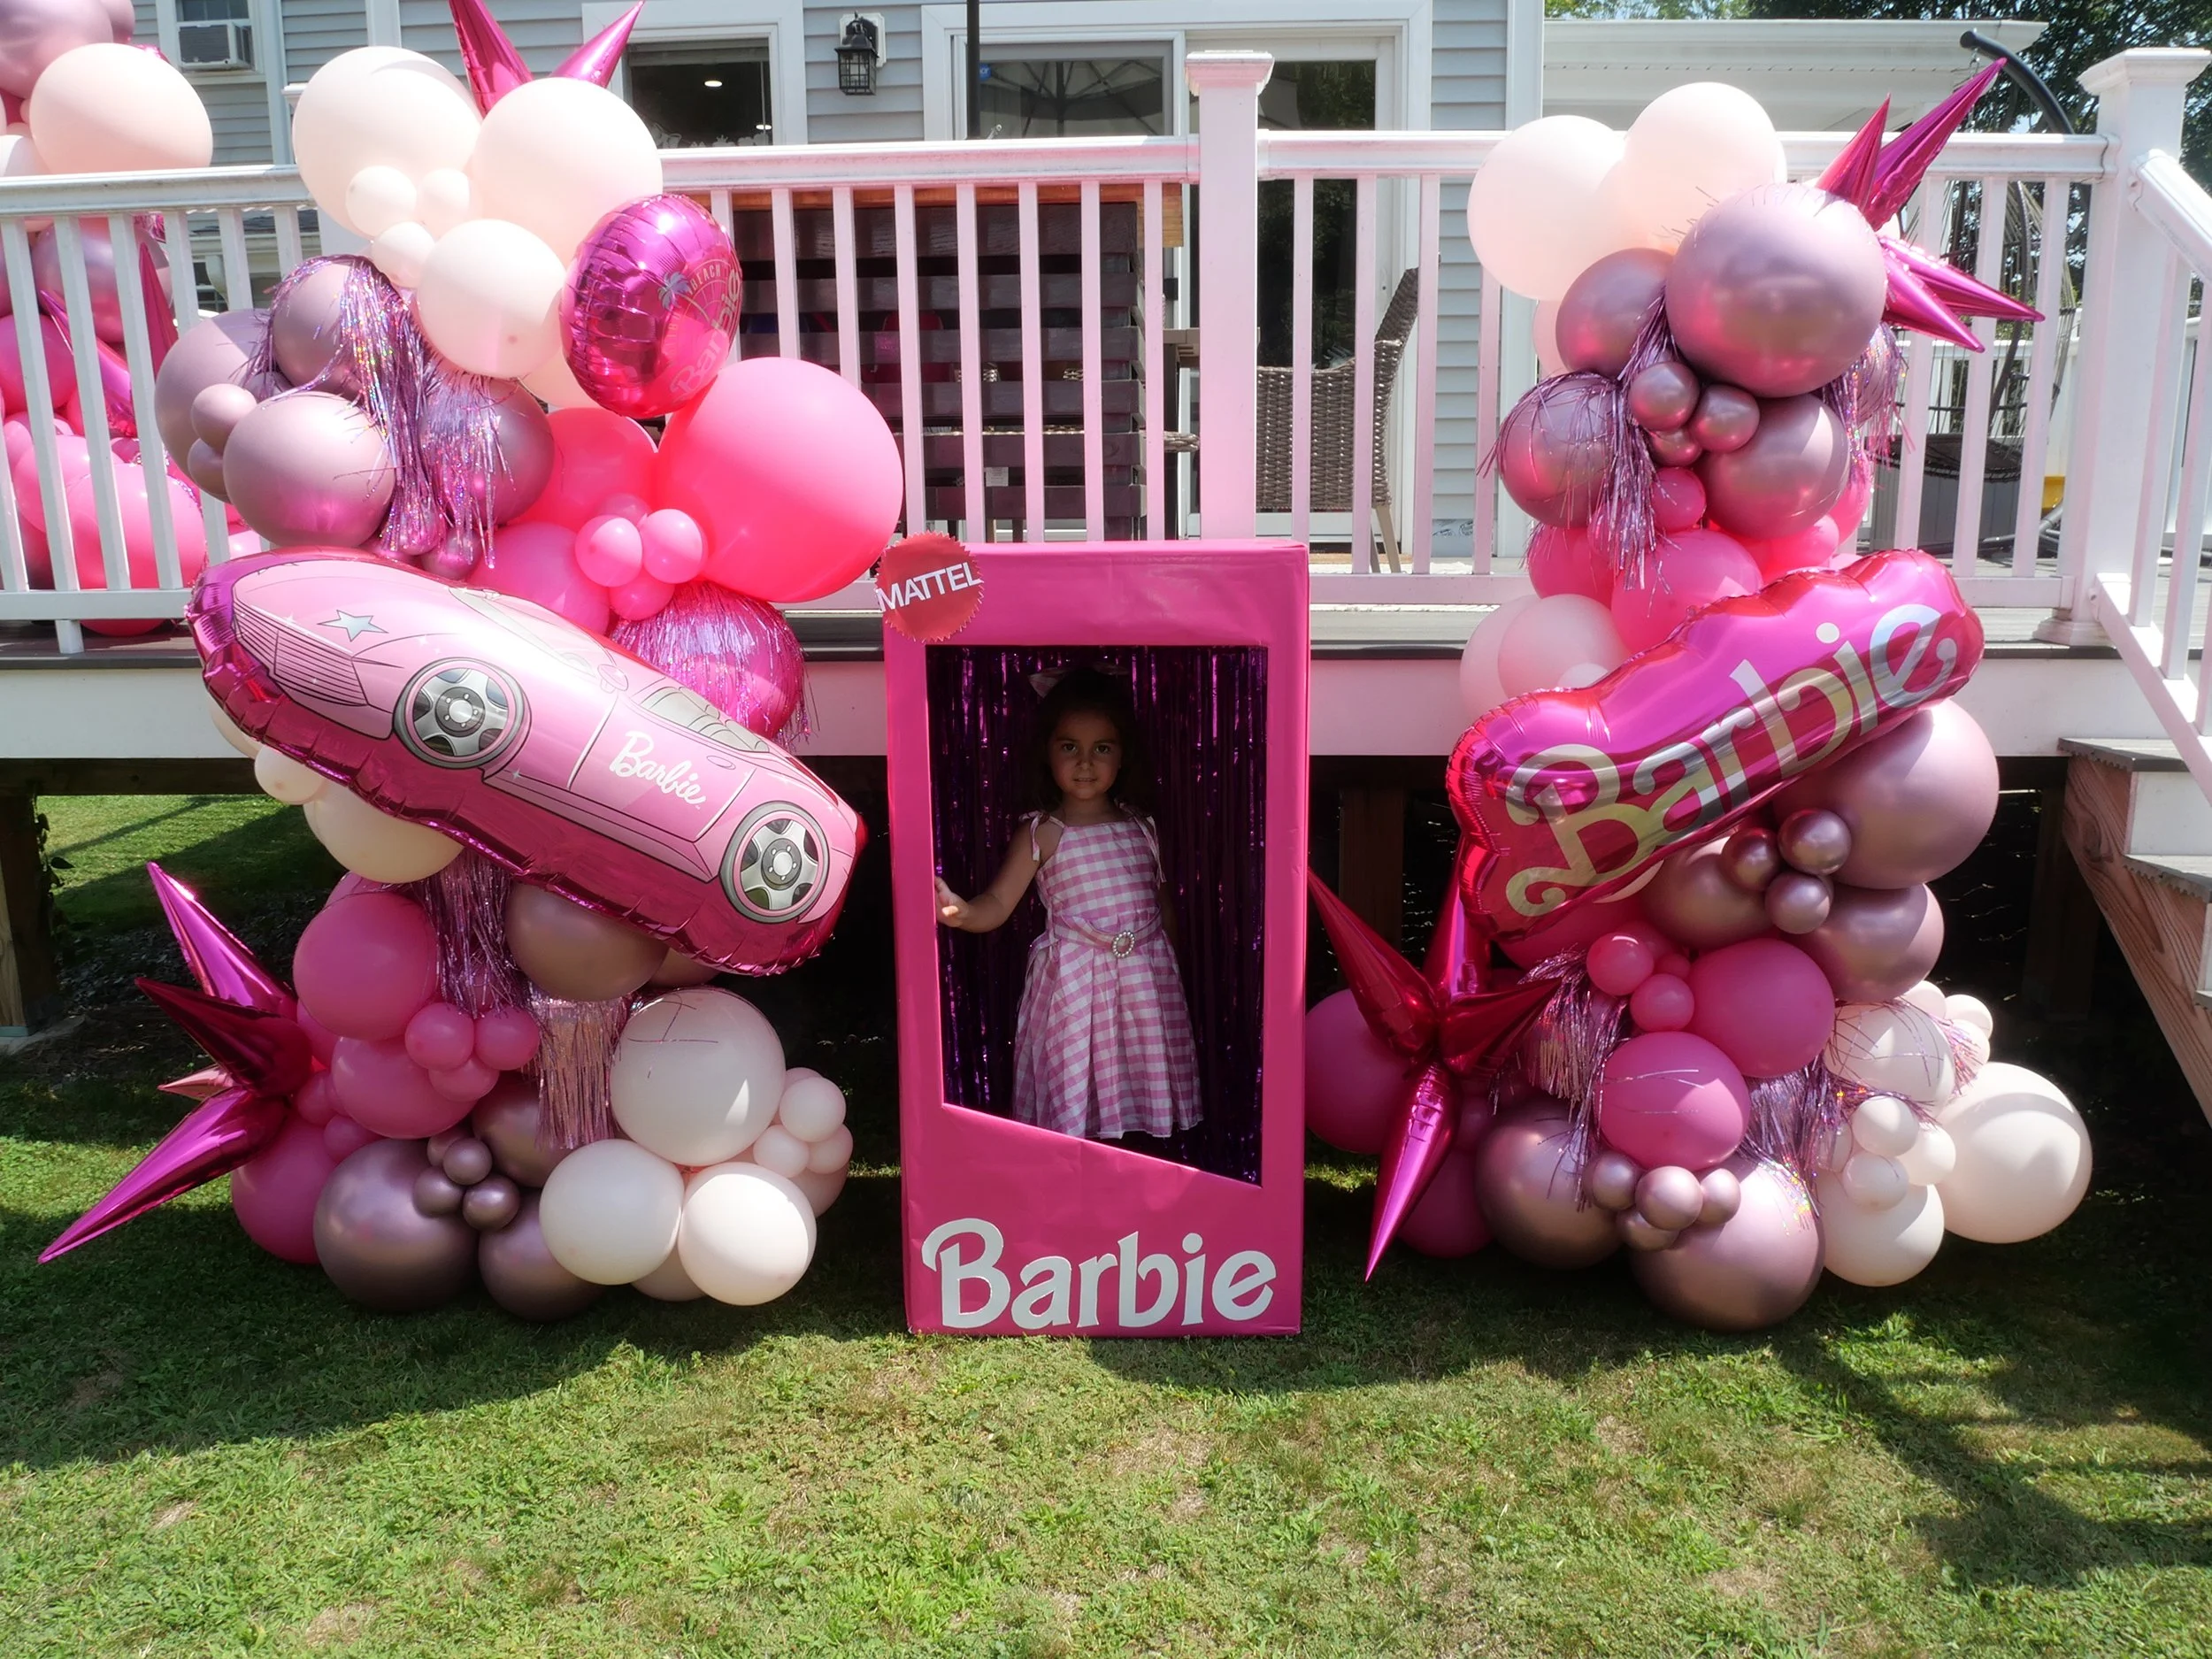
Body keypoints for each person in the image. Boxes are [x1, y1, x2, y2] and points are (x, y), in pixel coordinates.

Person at [935, 666, 1202, 1143]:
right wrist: (962, 912)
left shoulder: (1143, 826)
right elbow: (998, 901)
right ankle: (1078, 1164)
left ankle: (1142, 1156)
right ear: (1048, 754)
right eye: (1069, 747)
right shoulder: (1044, 832)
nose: (1085, 763)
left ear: (1122, 757)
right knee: (1078, 1072)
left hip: (1145, 979)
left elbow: (1162, 902)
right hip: (1076, 983)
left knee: (1137, 1068)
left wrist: (1171, 968)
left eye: (1102, 748)